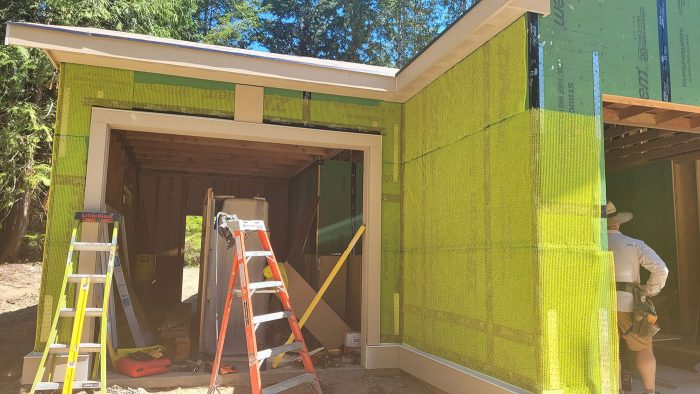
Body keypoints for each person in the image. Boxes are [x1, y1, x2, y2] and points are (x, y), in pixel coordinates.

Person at [607, 201, 669, 394]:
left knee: (609, 350)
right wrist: (649, 291)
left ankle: (616, 390)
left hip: (600, 305)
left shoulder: (592, 246)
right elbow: (661, 269)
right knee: (644, 348)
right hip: (629, 305)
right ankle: (649, 391)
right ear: (618, 223)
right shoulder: (634, 244)